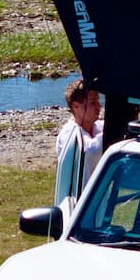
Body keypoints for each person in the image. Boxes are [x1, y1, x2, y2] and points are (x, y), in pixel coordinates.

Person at [52, 80, 103, 218]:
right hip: (75, 207)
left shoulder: (98, 127)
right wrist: (114, 129)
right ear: (75, 106)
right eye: (92, 103)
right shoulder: (69, 134)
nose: (99, 106)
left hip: (97, 201)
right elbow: (90, 150)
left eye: (98, 101)